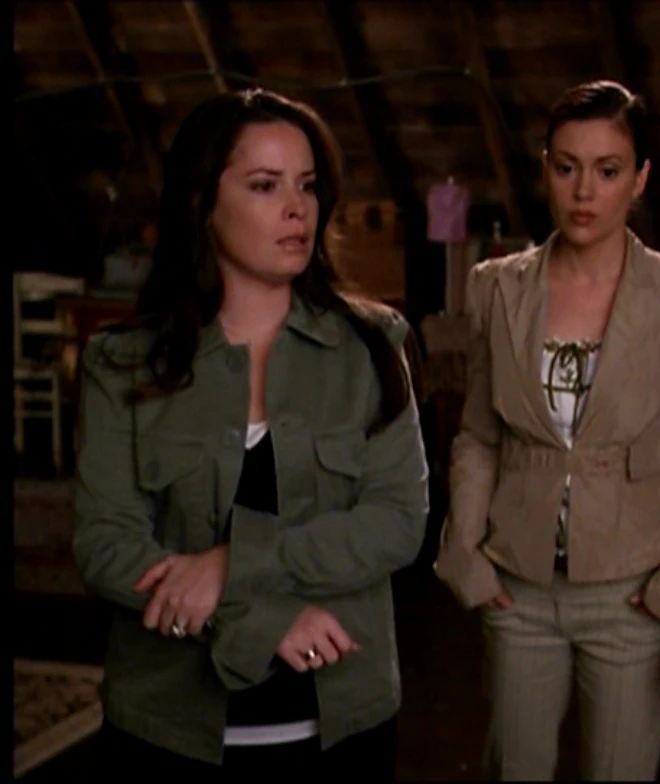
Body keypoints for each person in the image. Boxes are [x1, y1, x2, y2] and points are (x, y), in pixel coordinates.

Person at [73, 87, 429, 776]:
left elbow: (397, 521)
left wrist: (230, 564)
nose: (298, 209)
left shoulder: (373, 345)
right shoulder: (121, 363)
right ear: (202, 203)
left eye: (307, 185)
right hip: (167, 731)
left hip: (342, 728)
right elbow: (107, 545)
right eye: (265, 186)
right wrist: (263, 619)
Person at [435, 80, 660, 780]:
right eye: (567, 168)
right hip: (517, 582)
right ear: (546, 169)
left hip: (632, 588)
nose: (584, 191)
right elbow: (478, 435)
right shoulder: (496, 286)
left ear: (640, 178)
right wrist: (466, 556)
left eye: (608, 170)